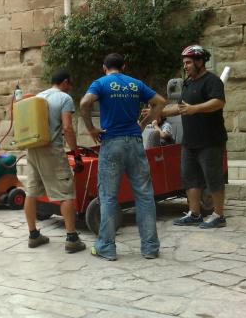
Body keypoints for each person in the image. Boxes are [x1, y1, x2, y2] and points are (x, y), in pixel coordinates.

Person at [80, 53, 166, 261]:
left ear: (104, 67)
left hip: (111, 143)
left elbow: (84, 103)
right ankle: (150, 247)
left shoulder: (101, 83)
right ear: (124, 66)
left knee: (108, 197)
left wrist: (91, 129)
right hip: (135, 143)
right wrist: (144, 123)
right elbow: (160, 102)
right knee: (144, 196)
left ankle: (106, 247)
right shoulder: (135, 84)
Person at [164, 45, 228, 228]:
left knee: (213, 177)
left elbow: (219, 102)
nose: (185, 66)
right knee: (190, 177)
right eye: (184, 63)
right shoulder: (187, 83)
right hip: (189, 141)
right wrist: (160, 112)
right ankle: (194, 213)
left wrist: (195, 108)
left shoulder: (213, 81)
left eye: (189, 62)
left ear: (200, 62)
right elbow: (181, 107)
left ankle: (218, 215)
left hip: (210, 140)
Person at [24, 69, 86, 253]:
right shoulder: (64, 98)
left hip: (33, 148)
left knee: (31, 192)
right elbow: (67, 128)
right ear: (66, 82)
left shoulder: (38, 96)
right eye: (70, 84)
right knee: (66, 192)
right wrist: (75, 152)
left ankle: (33, 235)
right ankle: (72, 238)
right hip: (52, 150)